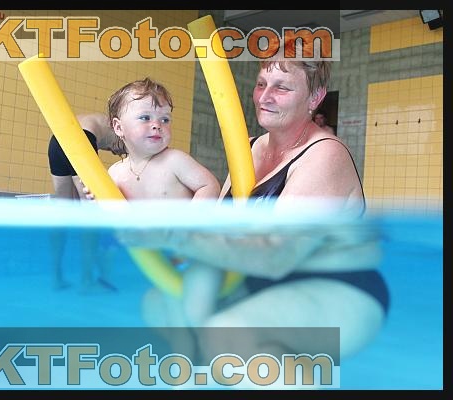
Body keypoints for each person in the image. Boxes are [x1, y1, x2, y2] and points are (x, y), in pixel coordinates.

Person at [116, 61, 389, 363]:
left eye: (281, 87)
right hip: (259, 282)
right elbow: (222, 228)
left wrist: (171, 234)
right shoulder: (246, 148)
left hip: (337, 287)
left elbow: (275, 256)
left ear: (315, 97)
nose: (265, 96)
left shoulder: (325, 154)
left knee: (227, 334)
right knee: (161, 304)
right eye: (261, 84)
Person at [106, 77, 221, 200]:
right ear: (118, 127)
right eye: (145, 118)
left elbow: (209, 185)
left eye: (165, 119)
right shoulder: (115, 173)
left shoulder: (175, 160)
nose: (157, 125)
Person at [47, 113, 126, 292]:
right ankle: (87, 280)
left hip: (57, 139)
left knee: (62, 212)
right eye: (119, 150)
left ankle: (56, 278)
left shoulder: (100, 122)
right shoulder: (124, 132)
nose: (116, 152)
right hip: (81, 139)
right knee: (91, 214)